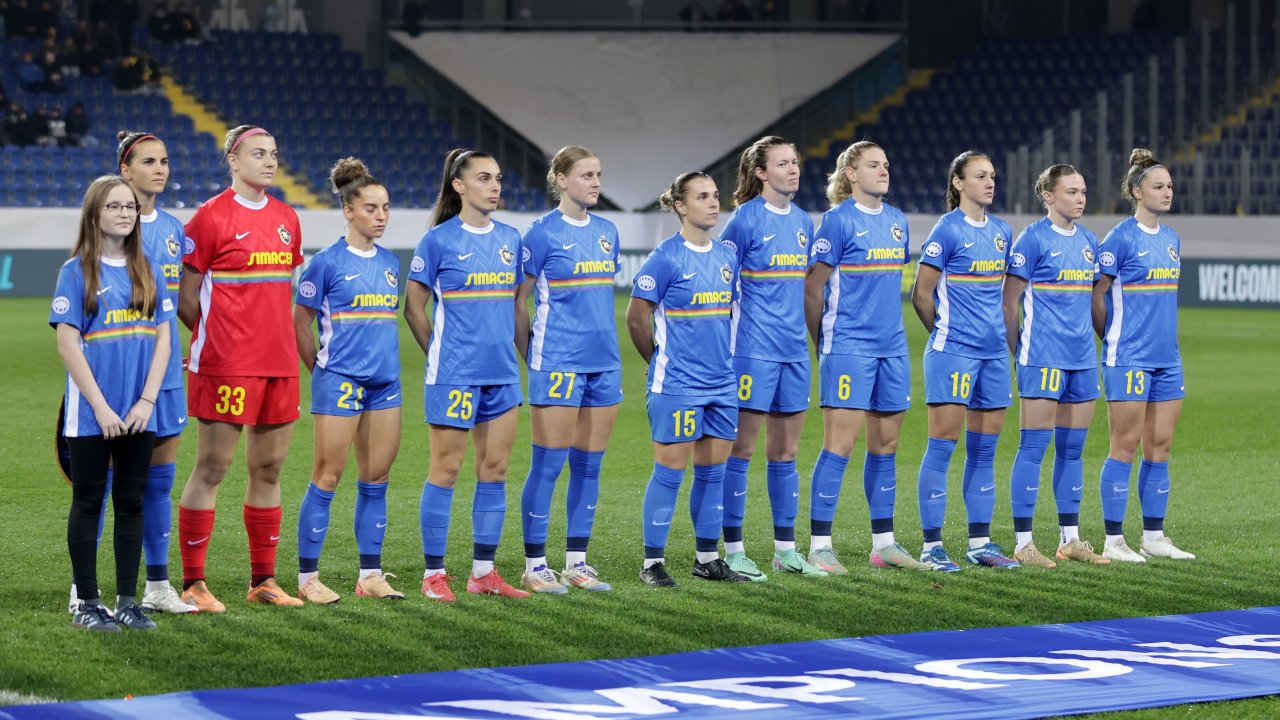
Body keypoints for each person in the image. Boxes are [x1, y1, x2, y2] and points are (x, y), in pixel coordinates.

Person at [176, 125, 305, 611]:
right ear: (233, 159)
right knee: (212, 468)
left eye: (274, 153)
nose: (269, 161)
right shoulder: (208, 219)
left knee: (268, 469)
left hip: (279, 363)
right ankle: (193, 583)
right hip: (226, 365)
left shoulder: (287, 217)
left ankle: (264, 581)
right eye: (258, 153)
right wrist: (221, 342)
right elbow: (188, 300)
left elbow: (280, 297)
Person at [404, 149, 530, 602]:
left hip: (502, 375)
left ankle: (483, 573)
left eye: (497, 177)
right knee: (447, 470)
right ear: (459, 186)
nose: (495, 186)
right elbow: (413, 307)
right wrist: (438, 354)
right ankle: (434, 575)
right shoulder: (437, 241)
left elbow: (518, 306)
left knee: (494, 470)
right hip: (454, 375)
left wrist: (528, 358)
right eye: (483, 178)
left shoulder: (512, 239)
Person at [53, 175, 173, 632]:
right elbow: (68, 346)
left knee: (131, 501)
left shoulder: (148, 267)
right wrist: (101, 408)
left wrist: (146, 401)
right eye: (114, 206)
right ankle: (87, 601)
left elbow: (163, 341)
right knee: (88, 501)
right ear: (94, 214)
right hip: (92, 414)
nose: (124, 213)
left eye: (129, 207)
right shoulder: (76, 270)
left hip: (141, 412)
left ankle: (127, 600)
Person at [804, 141, 928, 574]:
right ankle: (820, 546)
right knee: (839, 446)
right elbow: (812, 289)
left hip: (892, 348)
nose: (883, 171)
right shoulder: (836, 222)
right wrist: (827, 344)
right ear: (851, 173)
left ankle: (885, 544)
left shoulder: (896, 221)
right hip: (849, 348)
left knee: (886, 447)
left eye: (886, 164)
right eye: (873, 165)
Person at [626, 172, 749, 587]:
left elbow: (731, 318)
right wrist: (659, 360)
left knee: (714, 473)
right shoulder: (665, 257)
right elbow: (636, 318)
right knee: (669, 473)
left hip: (721, 384)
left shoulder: (727, 257)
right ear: (680, 206)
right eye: (702, 197)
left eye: (715, 196)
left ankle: (707, 558)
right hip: (677, 384)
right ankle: (652, 563)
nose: (714, 203)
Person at [291, 158, 404, 603]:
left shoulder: (392, 264)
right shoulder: (326, 264)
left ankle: (371, 575)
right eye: (372, 208)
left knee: (376, 478)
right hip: (339, 380)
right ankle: (307, 578)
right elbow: (300, 322)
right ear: (348, 210)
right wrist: (319, 371)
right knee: (327, 475)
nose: (380, 216)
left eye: (386, 208)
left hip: (386, 385)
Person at [513, 146, 620, 594]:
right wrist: (533, 357)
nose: (595, 182)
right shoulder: (540, 235)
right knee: (548, 465)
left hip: (605, 365)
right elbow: (518, 303)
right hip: (557, 362)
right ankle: (535, 565)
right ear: (560, 179)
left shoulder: (607, 231)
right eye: (586, 174)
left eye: (598, 174)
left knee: (589, 467)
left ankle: (577, 561)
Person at [719, 136, 825, 581]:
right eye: (782, 163)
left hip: (792, 353)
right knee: (740, 451)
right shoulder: (744, 220)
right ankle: (734, 549)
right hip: (752, 352)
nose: (793, 169)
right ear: (761, 172)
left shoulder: (802, 221)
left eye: (796, 161)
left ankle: (785, 550)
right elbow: (720, 284)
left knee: (785, 454)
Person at [911, 150, 1020, 571]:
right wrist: (943, 334)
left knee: (984, 452)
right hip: (953, 353)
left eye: (992, 176)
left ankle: (981, 543)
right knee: (942, 448)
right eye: (979, 176)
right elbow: (922, 295)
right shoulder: (947, 231)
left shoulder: (1002, 232)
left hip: (993, 355)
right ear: (958, 183)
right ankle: (931, 546)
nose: (990, 182)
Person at [1002, 164, 1110, 568]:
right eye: (1071, 192)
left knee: (1073, 450)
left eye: (1083, 191)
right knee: (1034, 447)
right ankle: (1024, 542)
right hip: (1042, 356)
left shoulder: (1088, 241)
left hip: (1082, 359)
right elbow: (1008, 302)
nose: (1080, 198)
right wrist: (1018, 353)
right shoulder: (1031, 239)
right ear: (1048, 196)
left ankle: (1071, 538)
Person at [1091, 148, 1194, 562]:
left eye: (1169, 186)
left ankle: (1154, 536)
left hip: (1167, 358)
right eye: (1158, 186)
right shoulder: (1118, 239)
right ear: (1137, 191)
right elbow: (1096, 297)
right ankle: (1113, 540)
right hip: (1128, 356)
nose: (1167, 192)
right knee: (1125, 445)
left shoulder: (1172, 239)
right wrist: (1112, 339)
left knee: (1160, 445)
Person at [117, 131, 199, 611]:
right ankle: (84, 586)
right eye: (149, 161)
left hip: (166, 371)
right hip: (122, 368)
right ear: (125, 171)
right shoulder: (109, 225)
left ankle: (157, 586)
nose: (160, 169)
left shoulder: (173, 228)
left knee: (160, 481)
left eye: (164, 160)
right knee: (109, 481)